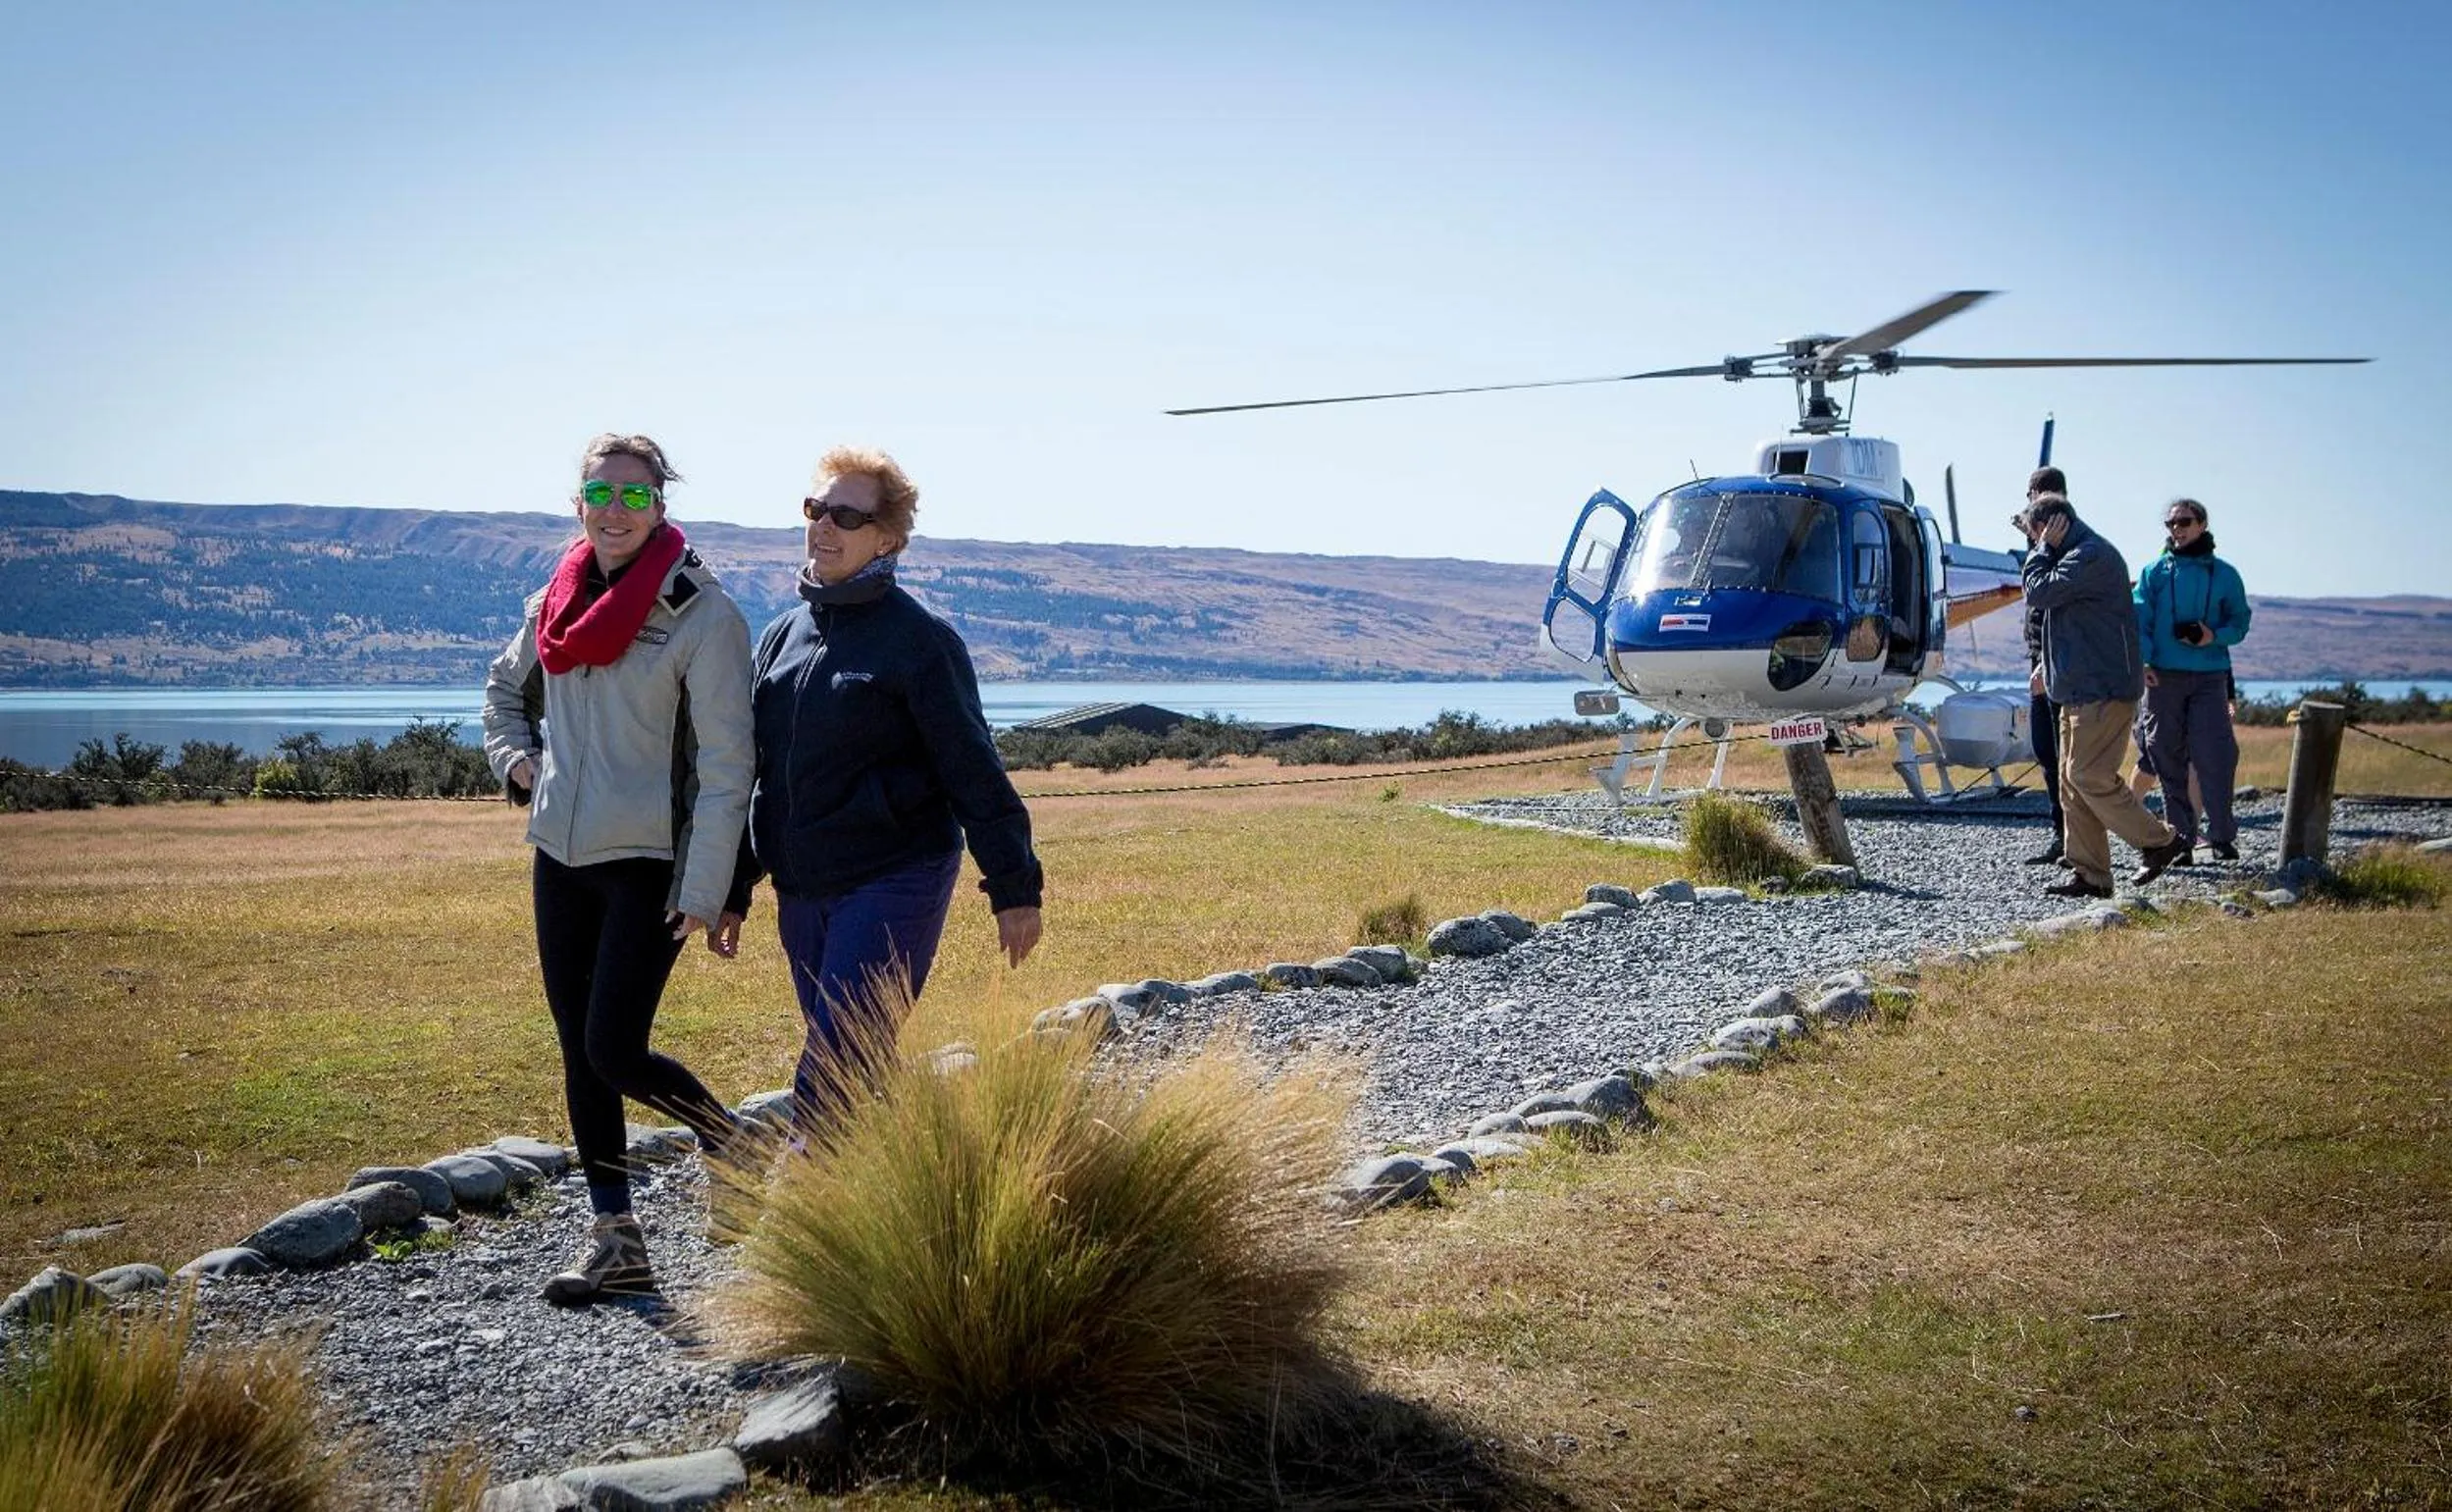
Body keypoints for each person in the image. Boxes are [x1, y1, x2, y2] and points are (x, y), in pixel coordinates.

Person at [482, 434, 755, 1306]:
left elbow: (726, 768)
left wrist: (707, 887)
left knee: (613, 1046)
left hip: (649, 862)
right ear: (579, 503)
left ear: (661, 508)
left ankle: (730, 1139)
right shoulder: (554, 600)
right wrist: (518, 763)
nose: (613, 510)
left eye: (634, 497)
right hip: (559, 854)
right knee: (578, 1053)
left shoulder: (702, 616)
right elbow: (502, 694)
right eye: (600, 493)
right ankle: (617, 1241)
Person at [720, 445, 1044, 1133]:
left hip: (896, 875)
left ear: (889, 537)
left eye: (846, 514)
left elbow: (972, 768)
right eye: (815, 509)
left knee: (834, 1066)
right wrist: (733, 886)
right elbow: (758, 775)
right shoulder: (782, 637)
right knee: (858, 1062)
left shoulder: (920, 642)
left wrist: (1014, 886)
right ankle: (924, 1181)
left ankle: (788, 1225)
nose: (823, 526)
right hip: (803, 886)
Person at [2018, 492, 2190, 899]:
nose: (2033, 543)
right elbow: (2068, 618)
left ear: (2048, 527)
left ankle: (2161, 841)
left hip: (2102, 689)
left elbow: (2039, 593)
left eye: (2034, 534)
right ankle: (2091, 875)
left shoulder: (2088, 555)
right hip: (2078, 687)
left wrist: (2040, 552)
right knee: (2070, 781)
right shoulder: (2076, 556)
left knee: (2087, 775)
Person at [2135, 497, 2251, 861]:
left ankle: (2222, 836)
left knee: (2215, 755)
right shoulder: (2153, 572)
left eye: (2184, 522)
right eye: (2170, 523)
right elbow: (2139, 619)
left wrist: (2212, 635)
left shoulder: (2225, 574)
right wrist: (2143, 661)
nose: (2176, 529)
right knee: (2164, 753)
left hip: (2209, 677)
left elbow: (2241, 622)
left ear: (2202, 524)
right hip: (2163, 678)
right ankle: (2181, 838)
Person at [2015, 466, 2069, 865]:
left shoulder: (2064, 546)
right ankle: (2064, 835)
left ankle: (2074, 838)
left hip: (2057, 663)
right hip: (2041, 660)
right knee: (2048, 753)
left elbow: (2051, 600)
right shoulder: (2045, 544)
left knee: (2063, 755)